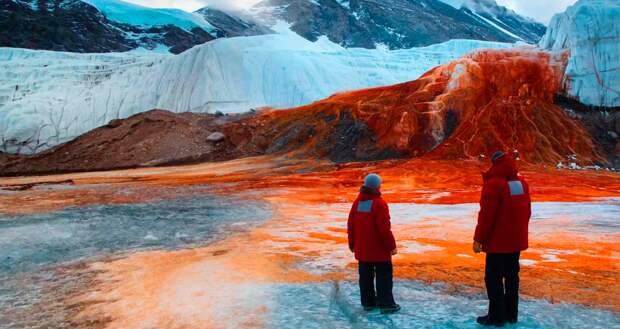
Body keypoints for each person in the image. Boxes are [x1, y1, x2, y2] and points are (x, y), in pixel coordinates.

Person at [473, 151, 531, 327]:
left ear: (495, 163)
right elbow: (527, 211)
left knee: (493, 279)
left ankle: (496, 317)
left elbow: (486, 216)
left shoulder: (493, 184)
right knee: (512, 278)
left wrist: (479, 239)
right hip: (516, 242)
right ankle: (511, 315)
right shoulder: (521, 182)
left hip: (498, 244)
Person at [347, 173, 400, 314]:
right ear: (377, 186)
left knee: (365, 278)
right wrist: (392, 247)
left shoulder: (357, 203)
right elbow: (384, 229)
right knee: (384, 277)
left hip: (363, 250)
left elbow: (351, 225)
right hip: (379, 251)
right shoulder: (379, 204)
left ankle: (368, 303)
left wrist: (352, 243)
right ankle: (387, 304)